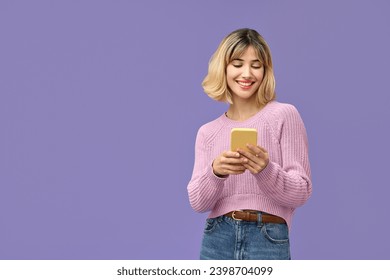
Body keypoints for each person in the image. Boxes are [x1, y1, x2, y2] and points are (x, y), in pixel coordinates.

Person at [187, 28, 312, 260]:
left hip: (268, 234)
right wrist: (216, 172)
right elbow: (197, 202)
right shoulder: (208, 132)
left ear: (265, 71)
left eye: (256, 65)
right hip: (217, 237)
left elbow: (301, 192)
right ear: (223, 68)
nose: (247, 73)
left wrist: (266, 169)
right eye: (237, 64)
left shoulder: (284, 115)